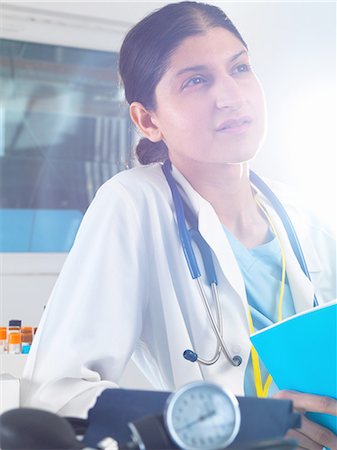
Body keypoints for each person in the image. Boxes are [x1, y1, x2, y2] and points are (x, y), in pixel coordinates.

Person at [21, 2, 336, 449]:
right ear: (147, 120)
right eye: (195, 80)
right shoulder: (133, 204)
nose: (231, 95)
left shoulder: (309, 213)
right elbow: (57, 396)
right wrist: (249, 421)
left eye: (240, 68)